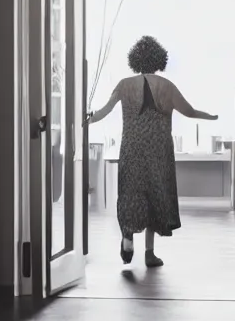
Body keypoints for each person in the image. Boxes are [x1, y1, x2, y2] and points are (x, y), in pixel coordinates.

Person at [87, 36, 217, 268]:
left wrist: (85, 119)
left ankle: (128, 235)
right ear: (159, 58)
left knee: (131, 193)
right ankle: (149, 253)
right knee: (155, 196)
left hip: (132, 148)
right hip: (158, 151)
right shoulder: (166, 86)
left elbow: (103, 112)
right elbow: (189, 111)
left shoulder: (124, 85)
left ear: (134, 59)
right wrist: (211, 116)